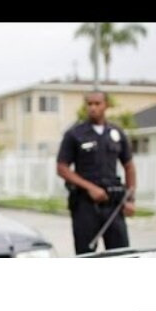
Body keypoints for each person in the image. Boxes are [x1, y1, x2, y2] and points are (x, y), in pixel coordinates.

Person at [56, 90, 137, 255]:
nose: (93, 108)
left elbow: (129, 167)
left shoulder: (116, 133)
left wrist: (130, 199)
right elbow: (62, 168)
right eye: (89, 104)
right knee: (86, 254)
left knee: (121, 254)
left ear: (106, 105)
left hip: (113, 204)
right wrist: (90, 188)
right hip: (85, 204)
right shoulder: (74, 134)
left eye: (97, 104)